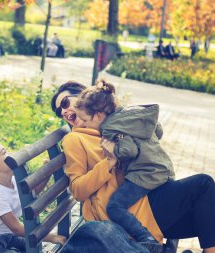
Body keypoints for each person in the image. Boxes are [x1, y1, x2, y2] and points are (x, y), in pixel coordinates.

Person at [51, 81, 215, 253]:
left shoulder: (111, 124)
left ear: (82, 97)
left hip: (146, 197)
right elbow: (78, 190)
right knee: (203, 184)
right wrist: (108, 162)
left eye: (65, 103)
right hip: (131, 214)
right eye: (60, 111)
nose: (64, 111)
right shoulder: (75, 139)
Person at [73, 80, 175, 245]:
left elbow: (130, 150)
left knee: (114, 206)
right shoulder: (127, 116)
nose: (84, 124)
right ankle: (168, 244)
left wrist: (113, 151)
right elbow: (158, 130)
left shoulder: (109, 128)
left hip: (145, 173)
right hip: (163, 167)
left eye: (85, 120)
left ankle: (146, 238)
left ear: (98, 116)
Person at [0, 141, 66, 253]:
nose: (11, 155)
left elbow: (32, 192)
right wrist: (51, 237)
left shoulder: (13, 181)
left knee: (31, 247)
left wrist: (47, 171)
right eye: (4, 153)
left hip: (10, 238)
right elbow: (16, 228)